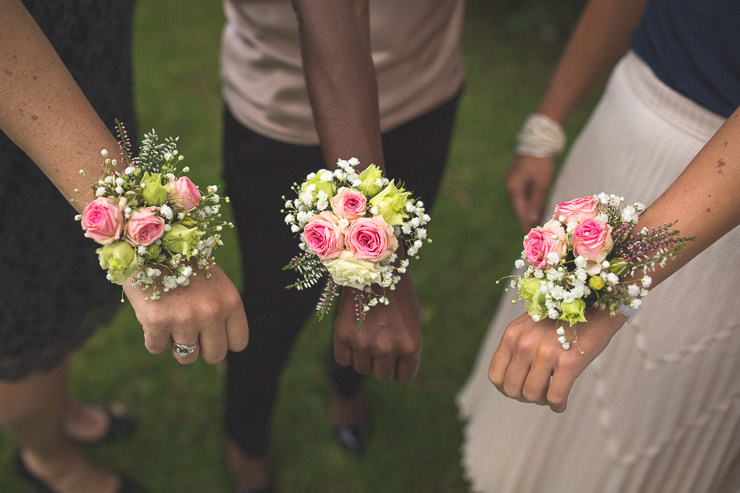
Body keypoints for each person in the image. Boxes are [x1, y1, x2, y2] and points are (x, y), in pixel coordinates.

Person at [457, 0, 740, 492]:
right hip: (630, 120)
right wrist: (548, 123)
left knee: (655, 404)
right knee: (533, 350)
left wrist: (607, 290)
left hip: (724, 209)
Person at [0, 1, 249, 492]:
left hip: (82, 66)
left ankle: (56, 409)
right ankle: (49, 459)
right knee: (19, 328)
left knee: (60, 288)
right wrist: (154, 249)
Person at [219, 0, 465, 490]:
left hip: (423, 86)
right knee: (274, 304)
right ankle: (246, 438)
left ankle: (348, 383)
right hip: (288, 105)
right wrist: (376, 265)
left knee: (373, 306)